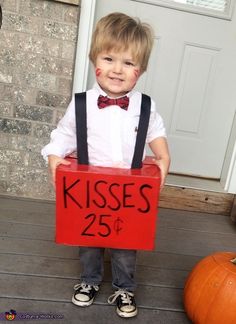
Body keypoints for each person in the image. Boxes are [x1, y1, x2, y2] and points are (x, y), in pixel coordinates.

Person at [41, 12, 170, 318]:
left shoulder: (146, 107)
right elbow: (63, 134)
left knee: (126, 245)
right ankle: (89, 281)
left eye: (128, 63)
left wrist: (163, 158)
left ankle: (124, 286)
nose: (117, 69)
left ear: (141, 68)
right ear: (94, 58)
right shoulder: (82, 103)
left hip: (127, 195)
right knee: (89, 241)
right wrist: (54, 156)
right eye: (109, 58)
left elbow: (157, 135)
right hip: (89, 193)